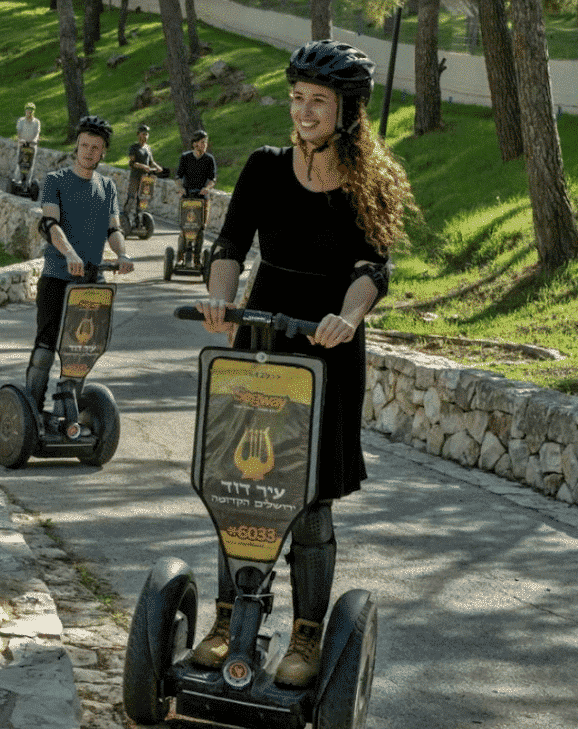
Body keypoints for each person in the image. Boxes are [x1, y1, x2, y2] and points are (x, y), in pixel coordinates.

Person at [192, 40, 416, 687]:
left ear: (348, 110)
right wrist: (220, 297)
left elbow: (371, 269)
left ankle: (306, 636)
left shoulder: (368, 183)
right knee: (241, 486)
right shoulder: (265, 168)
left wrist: (348, 315)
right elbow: (230, 244)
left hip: (326, 346)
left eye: (319, 100)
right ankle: (226, 620)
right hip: (261, 340)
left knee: (310, 500)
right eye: (297, 98)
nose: (304, 111)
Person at [26, 115, 134, 425]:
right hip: (58, 277)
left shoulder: (107, 187)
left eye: (95, 147)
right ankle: (31, 413)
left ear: (103, 152)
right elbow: (50, 223)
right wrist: (70, 253)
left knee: (82, 350)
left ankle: (67, 413)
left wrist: (122, 254)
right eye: (84, 145)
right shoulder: (56, 181)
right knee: (46, 349)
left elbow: (114, 229)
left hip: (91, 282)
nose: (88, 152)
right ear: (77, 146)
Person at [124, 124, 163, 223]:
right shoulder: (134, 147)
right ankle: (124, 217)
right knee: (132, 197)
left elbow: (151, 162)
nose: (146, 136)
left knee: (143, 199)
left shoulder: (148, 148)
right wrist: (143, 166)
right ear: (138, 134)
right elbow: (132, 163)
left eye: (147, 134)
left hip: (145, 178)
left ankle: (139, 217)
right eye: (144, 134)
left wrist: (157, 167)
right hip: (135, 177)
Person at [14, 103, 42, 182]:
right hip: (22, 144)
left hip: (32, 146)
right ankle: (17, 180)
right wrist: (20, 139)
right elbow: (19, 132)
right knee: (20, 163)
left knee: (30, 165)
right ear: (25, 112)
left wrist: (34, 140)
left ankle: (27, 183)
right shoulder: (21, 120)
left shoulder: (36, 122)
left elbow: (37, 133)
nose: (29, 114)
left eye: (30, 112)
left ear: (33, 112)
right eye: (27, 112)